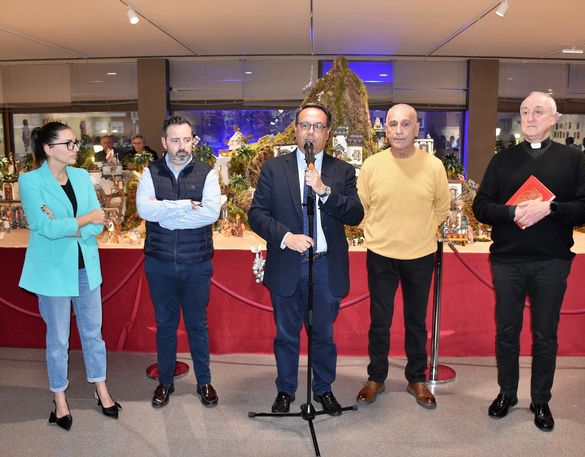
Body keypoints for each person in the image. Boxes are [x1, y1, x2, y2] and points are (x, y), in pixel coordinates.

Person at [472, 92, 585, 431]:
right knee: (507, 332)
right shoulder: (502, 160)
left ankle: (540, 400)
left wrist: (549, 208)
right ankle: (507, 393)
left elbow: (584, 210)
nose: (530, 117)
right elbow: (481, 207)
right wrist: (512, 212)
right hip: (508, 261)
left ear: (554, 119)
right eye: (525, 111)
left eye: (538, 111)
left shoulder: (571, 159)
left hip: (552, 261)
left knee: (545, 334)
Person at [248, 103, 364, 415]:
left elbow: (356, 214)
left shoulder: (342, 171)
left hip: (325, 266)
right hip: (287, 263)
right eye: (305, 125)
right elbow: (256, 214)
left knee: (323, 336)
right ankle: (285, 390)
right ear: (296, 130)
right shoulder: (274, 168)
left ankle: (323, 389)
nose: (310, 132)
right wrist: (287, 237)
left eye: (317, 126)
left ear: (327, 133)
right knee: (286, 336)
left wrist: (324, 191)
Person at [18, 122, 122, 431]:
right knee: (58, 339)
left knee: (93, 333)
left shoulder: (80, 176)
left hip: (85, 267)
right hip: (52, 272)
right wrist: (84, 219)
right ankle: (59, 398)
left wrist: (72, 225)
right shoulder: (30, 181)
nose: (75, 148)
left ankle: (101, 387)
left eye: (75, 142)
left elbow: (98, 223)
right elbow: (44, 227)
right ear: (48, 149)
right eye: (69, 144)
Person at [355, 103, 450, 409]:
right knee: (379, 320)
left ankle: (416, 378)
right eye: (393, 124)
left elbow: (442, 207)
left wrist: (421, 231)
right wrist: (379, 230)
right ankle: (376, 377)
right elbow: (361, 207)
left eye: (405, 124)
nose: (398, 130)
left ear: (416, 128)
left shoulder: (433, 166)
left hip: (420, 254)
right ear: (386, 129)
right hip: (380, 253)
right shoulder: (372, 165)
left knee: (416, 321)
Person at [136, 115, 221, 409]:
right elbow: (145, 210)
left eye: (187, 139)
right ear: (164, 142)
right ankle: (165, 381)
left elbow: (210, 214)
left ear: (193, 141)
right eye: (175, 140)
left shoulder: (207, 173)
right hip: (159, 262)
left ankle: (204, 381)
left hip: (197, 262)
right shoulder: (150, 172)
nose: (182, 146)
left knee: (197, 324)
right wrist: (185, 206)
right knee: (165, 324)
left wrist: (166, 216)